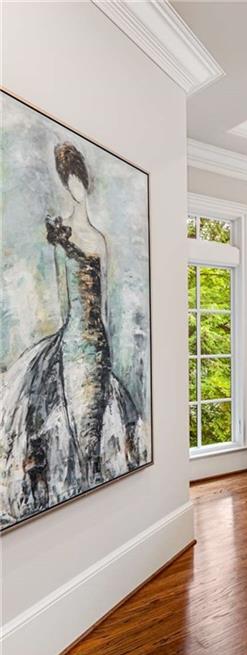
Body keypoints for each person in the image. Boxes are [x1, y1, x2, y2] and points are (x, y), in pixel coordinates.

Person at [0, 142, 147, 528]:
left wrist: (100, 339)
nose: (75, 188)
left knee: (96, 415)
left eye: (79, 180)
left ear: (85, 184)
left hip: (95, 338)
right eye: (70, 181)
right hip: (73, 338)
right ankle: (80, 488)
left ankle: (96, 477)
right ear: (66, 184)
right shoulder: (59, 235)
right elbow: (66, 298)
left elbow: (102, 304)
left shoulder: (98, 239)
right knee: (63, 415)